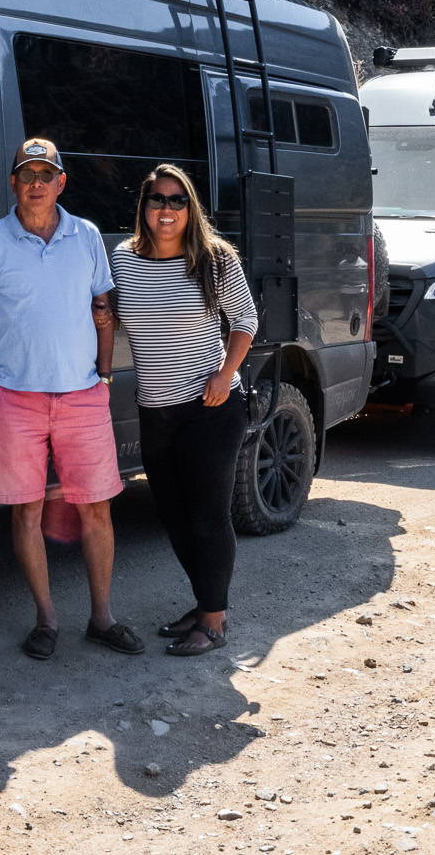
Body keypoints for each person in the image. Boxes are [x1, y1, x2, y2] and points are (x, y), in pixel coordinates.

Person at [0, 137, 142, 660]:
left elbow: (102, 307)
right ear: (13, 183)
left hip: (83, 396)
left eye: (46, 174)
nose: (36, 183)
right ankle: (46, 620)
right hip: (13, 399)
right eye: (27, 174)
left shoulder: (85, 235)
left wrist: (104, 378)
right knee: (27, 514)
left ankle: (102, 618)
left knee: (97, 510)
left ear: (61, 182)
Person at [104, 164, 258, 658]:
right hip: (156, 408)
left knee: (209, 515)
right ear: (143, 208)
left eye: (176, 201)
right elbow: (113, 317)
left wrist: (224, 372)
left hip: (210, 405)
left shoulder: (214, 260)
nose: (165, 210)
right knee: (172, 514)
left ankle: (213, 620)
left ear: (190, 208)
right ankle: (203, 603)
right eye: (156, 200)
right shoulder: (124, 261)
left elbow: (246, 320)